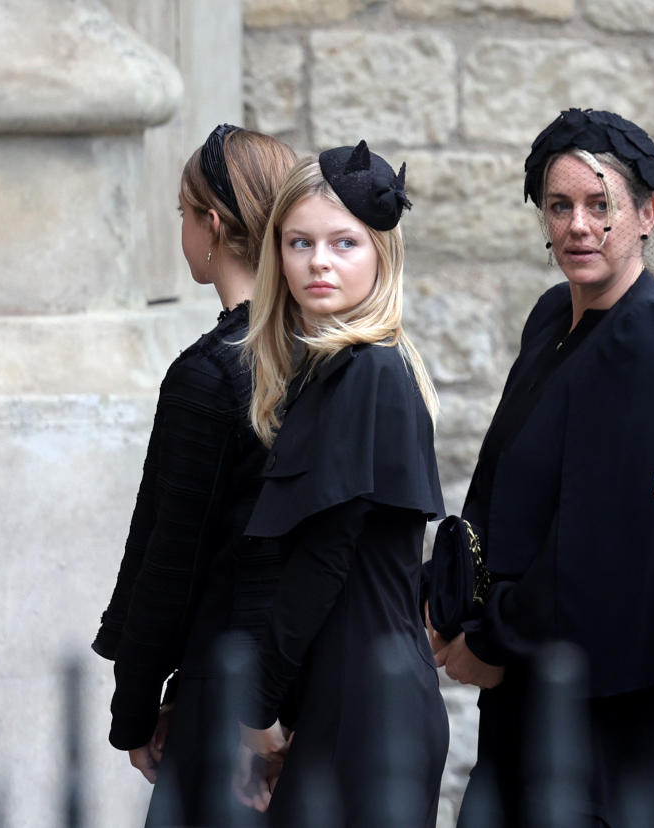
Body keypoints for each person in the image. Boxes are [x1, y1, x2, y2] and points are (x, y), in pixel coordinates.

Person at [433, 108, 654, 827]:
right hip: (530, 668)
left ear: (647, 214)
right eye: (560, 206)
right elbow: (496, 478)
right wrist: (453, 600)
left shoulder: (651, 336)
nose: (578, 226)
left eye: (600, 204)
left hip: (603, 699)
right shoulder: (554, 317)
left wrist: (492, 641)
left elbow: (603, 538)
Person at [235, 142, 448, 826]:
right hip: (347, 696)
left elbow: (323, 560)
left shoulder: (368, 373)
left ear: (381, 254)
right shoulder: (329, 371)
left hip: (369, 706)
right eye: (300, 242)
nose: (318, 261)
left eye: (343, 243)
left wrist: (256, 709)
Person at [92, 124, 297, 824]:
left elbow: (167, 558)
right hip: (312, 700)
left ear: (211, 225)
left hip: (225, 700)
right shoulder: (332, 358)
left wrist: (135, 710)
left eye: (184, 212)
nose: (182, 228)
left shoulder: (209, 374)